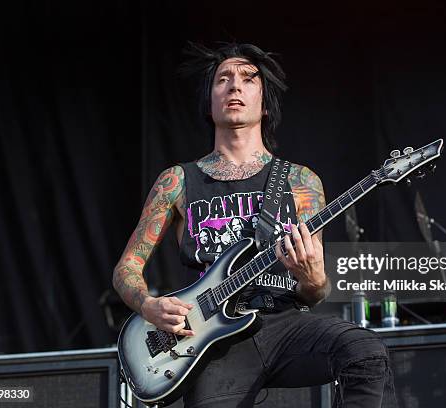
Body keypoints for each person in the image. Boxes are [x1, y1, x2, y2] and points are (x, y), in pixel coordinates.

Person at [113, 42, 394, 408]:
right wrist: (149, 306)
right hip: (208, 339)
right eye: (223, 79)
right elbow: (126, 268)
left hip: (286, 325)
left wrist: (312, 277)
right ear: (209, 101)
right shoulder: (176, 181)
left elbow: (315, 292)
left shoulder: (300, 181)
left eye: (248, 79)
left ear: (265, 101)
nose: (234, 87)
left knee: (365, 351)